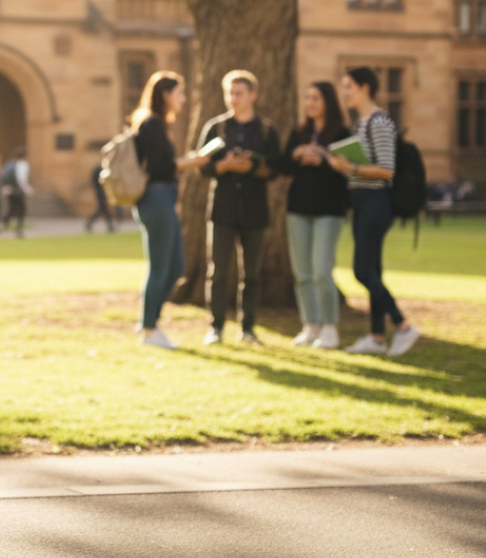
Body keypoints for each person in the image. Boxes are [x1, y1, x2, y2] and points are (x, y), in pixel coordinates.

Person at [326, 67, 421, 356]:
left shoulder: (379, 122)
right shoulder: (360, 123)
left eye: (349, 87)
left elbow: (386, 170)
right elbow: (362, 170)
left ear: (365, 87)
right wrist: (342, 168)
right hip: (362, 201)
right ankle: (377, 337)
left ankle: (403, 326)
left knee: (363, 271)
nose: (345, 94)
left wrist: (351, 167)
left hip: (376, 202)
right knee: (374, 270)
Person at [198, 69, 281, 345]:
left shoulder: (267, 130)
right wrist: (225, 166)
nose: (233, 99)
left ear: (252, 95)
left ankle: (247, 328)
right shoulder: (216, 128)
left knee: (252, 273)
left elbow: (275, 168)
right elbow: (203, 165)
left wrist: (252, 167)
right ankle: (216, 327)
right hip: (222, 208)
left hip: (254, 209)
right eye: (229, 93)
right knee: (218, 270)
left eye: (239, 93)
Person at [131, 72, 208, 349]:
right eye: (179, 94)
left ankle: (149, 322)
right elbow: (156, 168)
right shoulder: (151, 124)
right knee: (160, 267)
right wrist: (190, 162)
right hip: (155, 199)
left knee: (176, 266)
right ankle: (149, 329)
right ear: (165, 95)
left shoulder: (160, 124)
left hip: (164, 199)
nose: (183, 100)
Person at [279, 82, 351, 349]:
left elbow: (347, 171)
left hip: (329, 210)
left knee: (322, 270)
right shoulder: (299, 133)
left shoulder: (341, 133)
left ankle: (330, 328)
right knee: (303, 273)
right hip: (298, 209)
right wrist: (297, 154)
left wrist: (323, 159)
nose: (310, 103)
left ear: (328, 102)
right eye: (307, 98)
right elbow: (283, 166)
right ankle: (311, 326)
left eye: (316, 98)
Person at [0, 145, 34, 237]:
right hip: (18, 191)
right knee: (21, 209)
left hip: (8, 189)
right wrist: (28, 190)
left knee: (12, 208)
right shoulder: (23, 165)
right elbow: (22, 180)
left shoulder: (10, 163)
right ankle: (19, 229)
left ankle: (3, 222)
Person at [85, 163, 115, 233]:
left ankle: (110, 226)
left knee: (104, 210)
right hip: (100, 193)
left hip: (101, 192)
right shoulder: (100, 170)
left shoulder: (99, 170)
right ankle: (90, 224)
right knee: (102, 209)